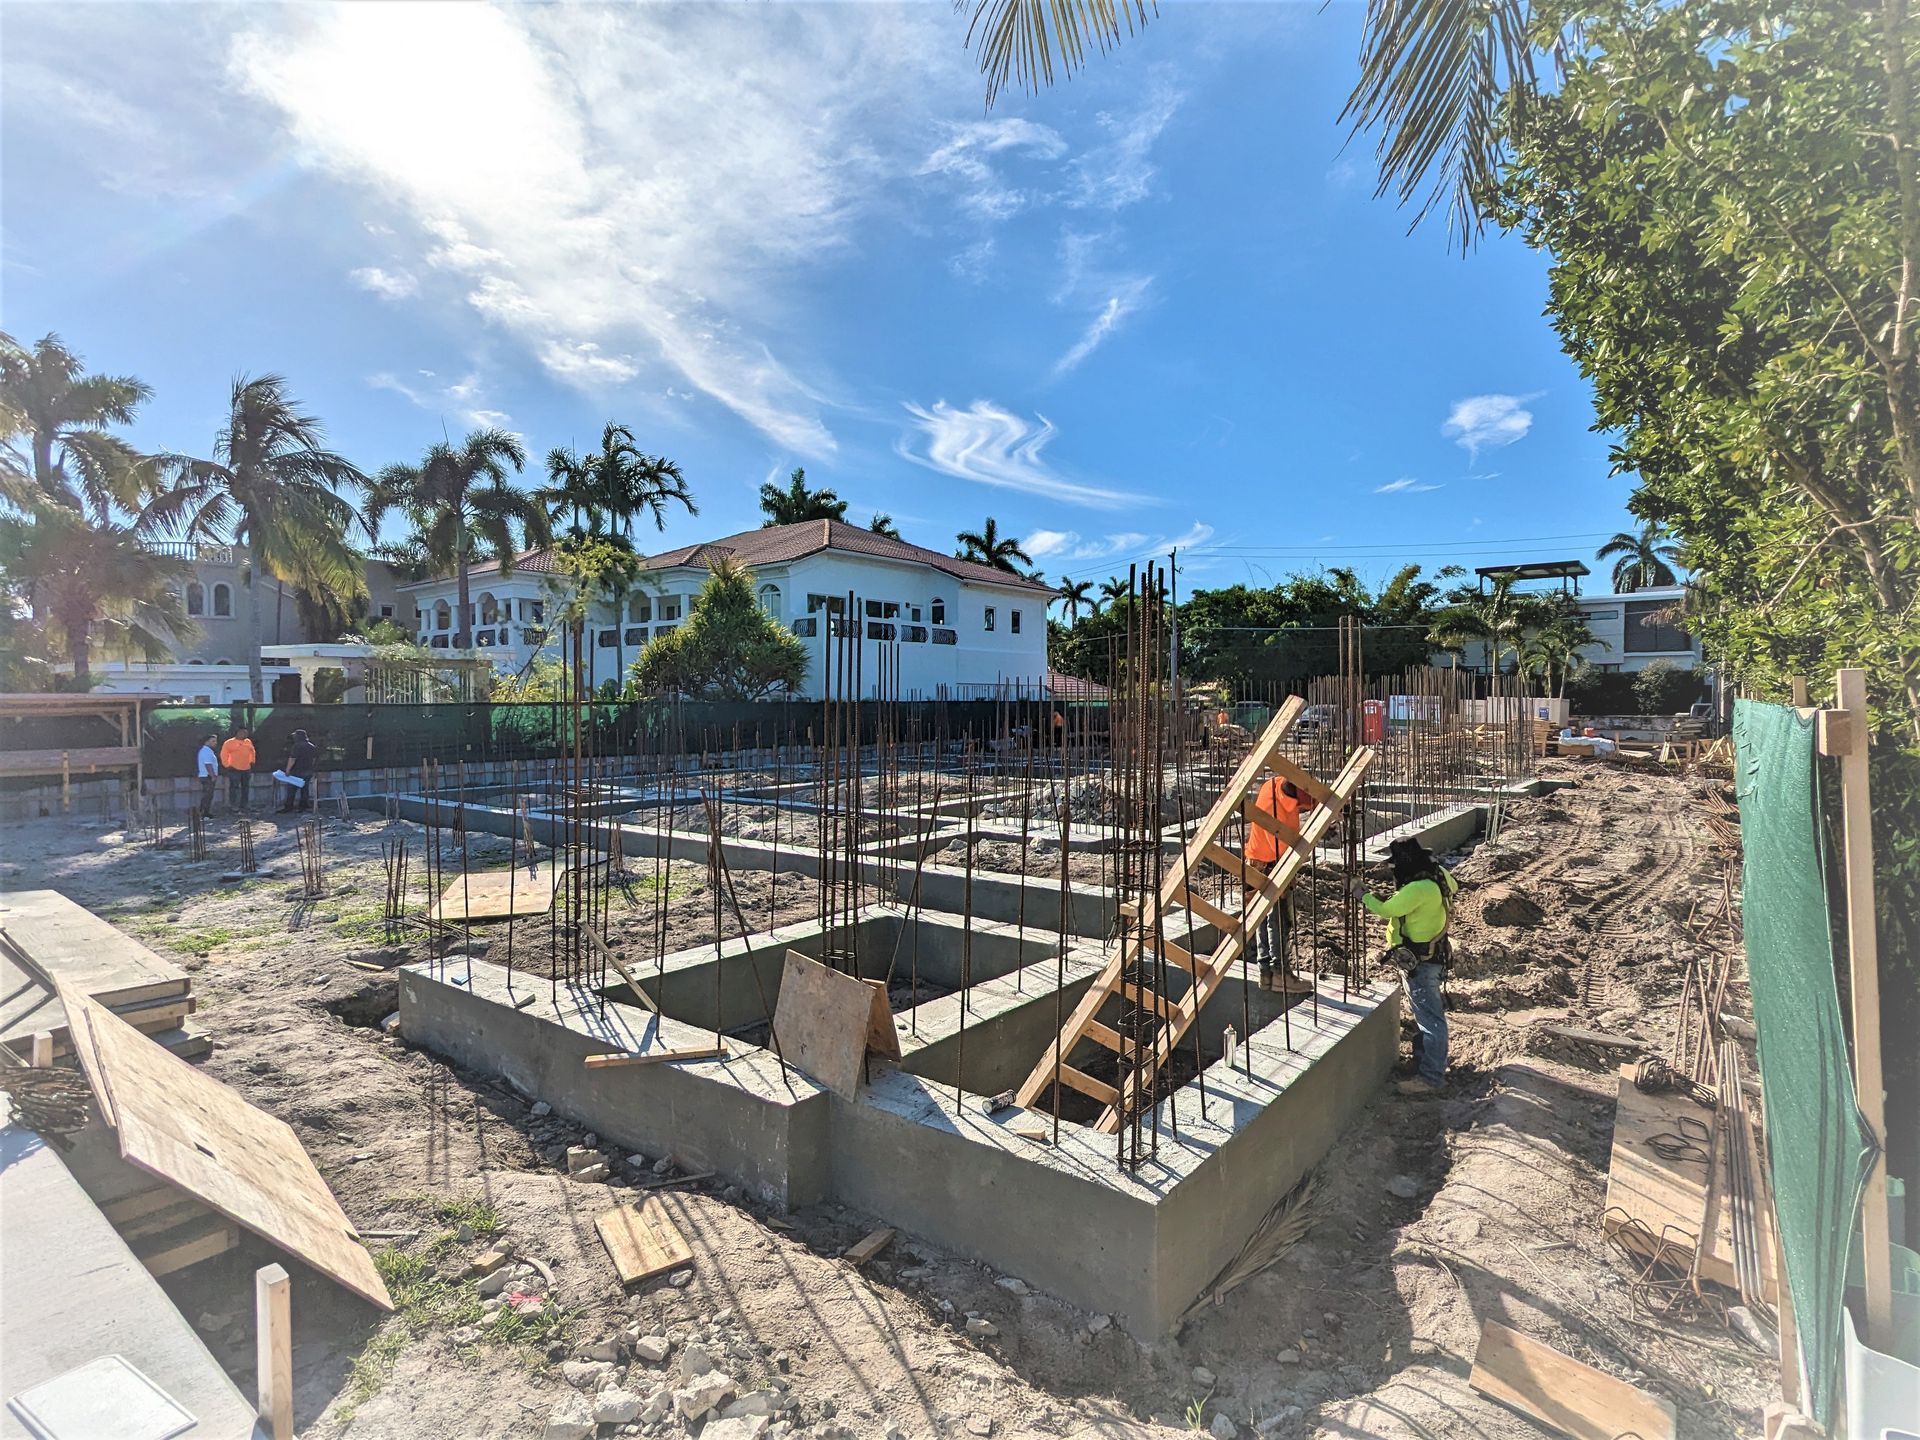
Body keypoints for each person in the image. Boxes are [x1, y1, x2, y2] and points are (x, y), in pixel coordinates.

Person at [1359, 837, 1460, 1096]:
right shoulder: (1439, 876)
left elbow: (1386, 909)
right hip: (1433, 956)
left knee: (1430, 1020)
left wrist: (1362, 895)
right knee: (1424, 1014)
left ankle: (1431, 1078)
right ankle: (1423, 1060)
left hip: (1420, 963)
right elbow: (1455, 885)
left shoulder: (1417, 889)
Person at [1243, 774, 1316, 994]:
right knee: (1279, 919)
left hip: (1254, 860)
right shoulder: (1274, 813)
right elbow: (1285, 850)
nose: (1302, 808)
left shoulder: (1274, 784)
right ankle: (1279, 973)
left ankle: (1266, 973)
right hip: (1271, 864)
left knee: (1264, 919)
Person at [279, 728, 318, 812]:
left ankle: (289, 807)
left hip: (297, 771)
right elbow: (314, 759)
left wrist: (288, 770)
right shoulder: (311, 746)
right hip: (308, 771)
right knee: (305, 789)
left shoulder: (296, 746)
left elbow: (292, 759)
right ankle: (303, 806)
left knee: (291, 790)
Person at [219, 727, 256, 813]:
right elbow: (224, 754)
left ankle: (244, 805)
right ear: (238, 733)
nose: (245, 735)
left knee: (246, 788)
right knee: (234, 788)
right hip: (234, 769)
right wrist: (227, 765)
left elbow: (252, 751)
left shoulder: (248, 741)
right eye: (243, 733)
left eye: (246, 733)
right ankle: (234, 806)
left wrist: (252, 761)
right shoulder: (229, 743)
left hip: (246, 768)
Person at [194, 734, 220, 818]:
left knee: (208, 795)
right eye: (213, 741)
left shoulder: (207, 751)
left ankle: (205, 813)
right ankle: (203, 814)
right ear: (206, 742)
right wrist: (212, 775)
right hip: (207, 776)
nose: (215, 743)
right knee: (207, 796)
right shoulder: (206, 751)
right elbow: (208, 764)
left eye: (215, 741)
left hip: (206, 775)